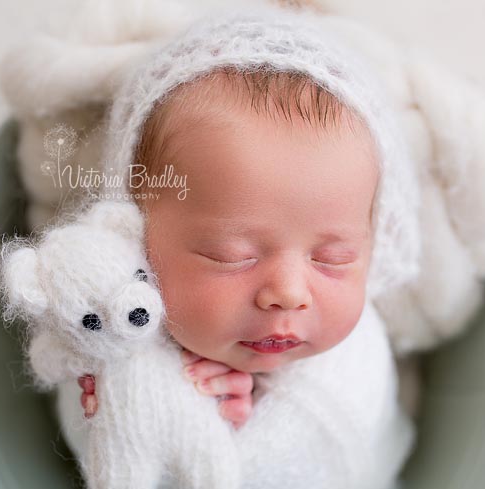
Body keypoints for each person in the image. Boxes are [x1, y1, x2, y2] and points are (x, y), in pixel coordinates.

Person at [75, 67, 380, 431]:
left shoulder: (357, 360)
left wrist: (244, 428)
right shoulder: (102, 330)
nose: (288, 293)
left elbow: (355, 453)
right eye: (231, 256)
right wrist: (128, 406)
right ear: (135, 237)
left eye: (334, 259)